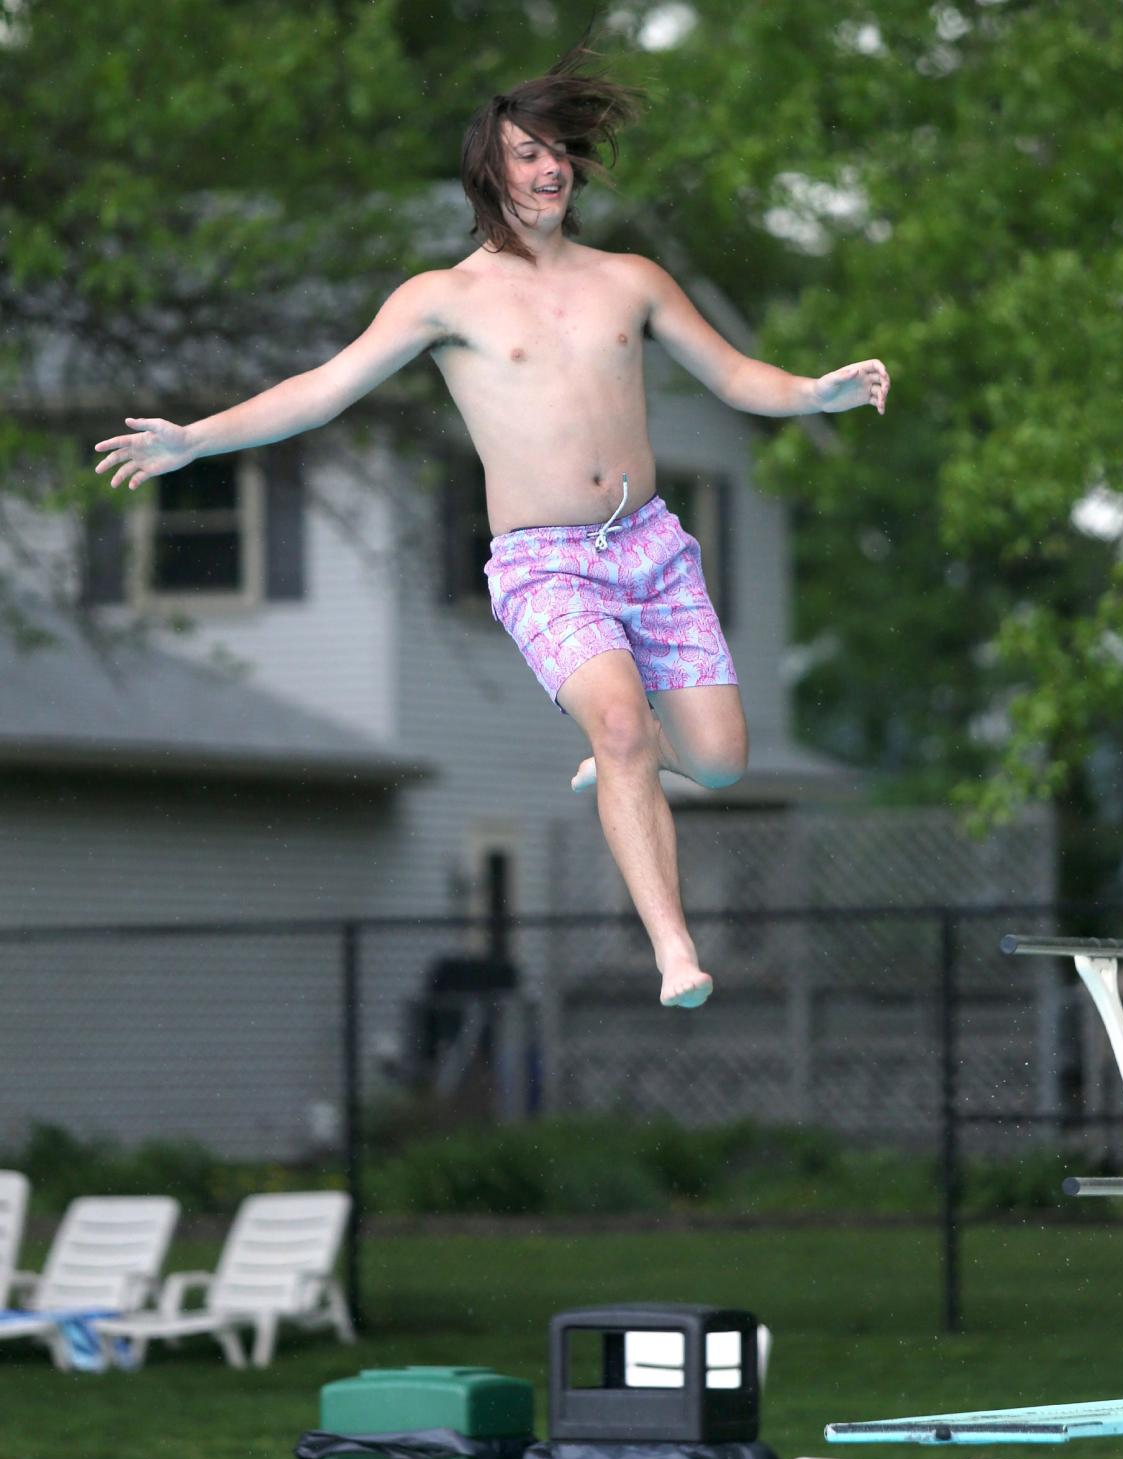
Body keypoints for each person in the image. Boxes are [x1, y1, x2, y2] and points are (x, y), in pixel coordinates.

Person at [93, 49, 889, 1011]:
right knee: (626, 723)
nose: (548, 168)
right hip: (545, 565)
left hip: (650, 545)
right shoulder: (443, 299)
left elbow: (732, 376)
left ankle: (628, 759)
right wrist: (197, 441)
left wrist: (815, 392)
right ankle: (675, 947)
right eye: (526, 154)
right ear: (490, 172)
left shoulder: (631, 279)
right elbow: (322, 391)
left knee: (720, 761)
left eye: (558, 151)